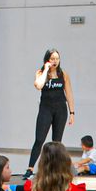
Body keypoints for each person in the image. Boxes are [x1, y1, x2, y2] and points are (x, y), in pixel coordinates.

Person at [25, 48, 75, 179]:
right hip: (46, 109)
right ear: (47, 59)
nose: (55, 61)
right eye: (52, 58)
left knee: (57, 142)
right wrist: (46, 70)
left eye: (57, 59)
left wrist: (72, 112)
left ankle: (56, 170)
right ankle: (30, 168)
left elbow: (69, 93)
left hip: (60, 109)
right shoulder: (41, 72)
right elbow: (38, 85)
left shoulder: (63, 74)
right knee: (39, 139)